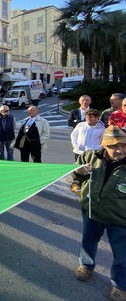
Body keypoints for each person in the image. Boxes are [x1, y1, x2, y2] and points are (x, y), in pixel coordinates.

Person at [71, 125, 126, 301]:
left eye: (124, 145)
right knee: (88, 241)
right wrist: (77, 175)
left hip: (120, 219)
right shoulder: (89, 156)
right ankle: (86, 266)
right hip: (92, 212)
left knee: (122, 254)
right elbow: (74, 176)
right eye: (114, 146)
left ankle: (120, 286)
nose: (120, 150)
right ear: (103, 144)